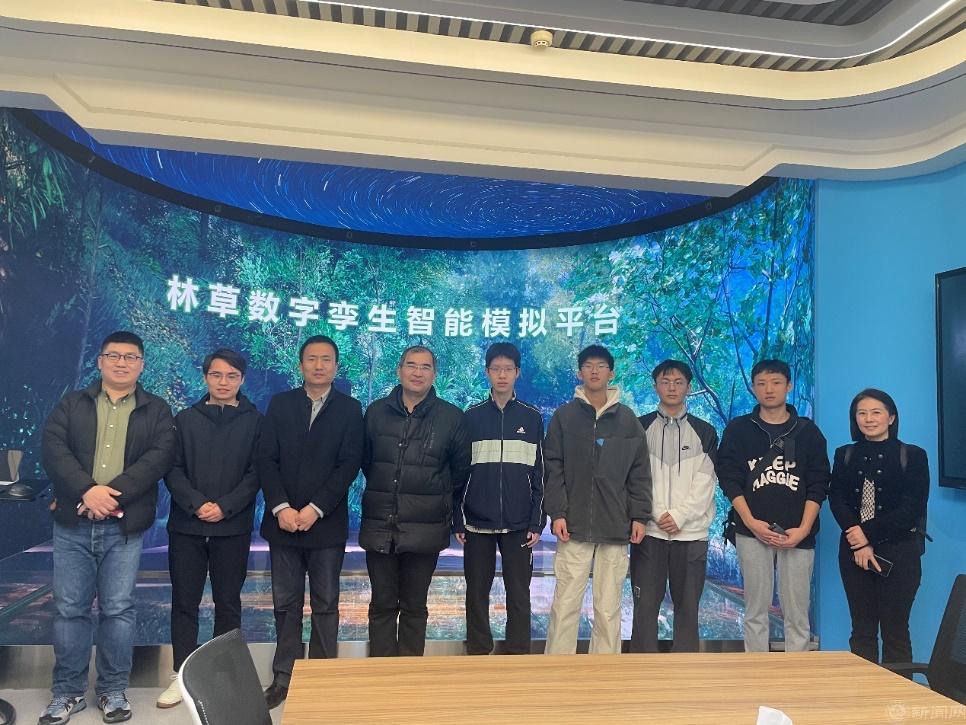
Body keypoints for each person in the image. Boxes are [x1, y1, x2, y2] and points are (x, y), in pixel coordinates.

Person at [40, 331, 176, 724]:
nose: (121, 363)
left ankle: (113, 690)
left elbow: (158, 459)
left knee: (118, 609)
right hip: (74, 521)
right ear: (100, 362)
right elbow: (54, 450)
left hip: (124, 526)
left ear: (141, 365)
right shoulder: (72, 404)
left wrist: (109, 496)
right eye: (114, 356)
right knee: (70, 609)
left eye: (130, 357)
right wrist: (87, 490)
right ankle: (67, 693)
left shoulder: (157, 410)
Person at [258, 335, 363, 708]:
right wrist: (281, 507)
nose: (319, 366)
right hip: (283, 524)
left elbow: (348, 465)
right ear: (301, 364)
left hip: (326, 525)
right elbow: (265, 459)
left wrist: (315, 508)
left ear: (336, 366)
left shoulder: (350, 409)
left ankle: (322, 677)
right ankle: (283, 677)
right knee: (285, 604)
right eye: (312, 359)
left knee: (326, 603)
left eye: (326, 359)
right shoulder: (281, 404)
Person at [157, 348, 262, 708]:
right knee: (184, 602)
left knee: (228, 603)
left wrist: (225, 507)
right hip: (187, 526)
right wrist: (197, 504)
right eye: (216, 375)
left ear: (241, 380)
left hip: (232, 528)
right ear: (205, 378)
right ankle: (181, 676)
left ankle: (223, 679)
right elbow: (172, 469)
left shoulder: (256, 422)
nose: (223, 382)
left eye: (231, 376)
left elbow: (257, 473)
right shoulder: (185, 419)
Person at [360, 345, 471, 657]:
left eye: (425, 367)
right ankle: (382, 675)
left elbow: (460, 471)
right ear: (399, 370)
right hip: (381, 525)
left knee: (414, 606)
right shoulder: (376, 412)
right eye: (411, 365)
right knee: (381, 605)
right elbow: (368, 462)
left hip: (425, 530)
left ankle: (409, 676)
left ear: (434, 374)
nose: (417, 372)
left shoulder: (451, 417)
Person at [543, 344, 651, 655]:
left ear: (611, 373)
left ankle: (605, 671)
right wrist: (557, 512)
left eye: (601, 366)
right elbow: (553, 467)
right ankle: (557, 669)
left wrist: (639, 516)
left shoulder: (627, 420)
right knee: (565, 603)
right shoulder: (564, 417)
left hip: (615, 526)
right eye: (588, 365)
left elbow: (639, 472)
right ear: (580, 373)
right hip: (573, 525)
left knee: (608, 607)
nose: (594, 370)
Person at [716, 359, 829, 653]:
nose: (769, 389)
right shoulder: (739, 430)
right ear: (753, 388)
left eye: (776, 383)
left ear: (788, 386)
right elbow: (729, 479)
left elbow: (819, 483)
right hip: (752, 531)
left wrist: (803, 529)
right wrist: (751, 522)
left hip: (798, 534)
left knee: (797, 614)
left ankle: (797, 674)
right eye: (762, 384)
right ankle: (757, 673)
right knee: (755, 611)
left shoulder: (808, 432)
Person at [827, 389, 929, 665]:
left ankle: (898, 693)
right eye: (862, 413)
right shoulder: (844, 454)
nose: (869, 419)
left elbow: (912, 508)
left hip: (899, 553)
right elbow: (837, 498)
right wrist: (858, 541)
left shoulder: (913, 455)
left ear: (891, 417)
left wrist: (866, 535)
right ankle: (863, 691)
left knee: (896, 633)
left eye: (876, 412)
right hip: (853, 552)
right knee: (862, 631)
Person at [456, 342, 545, 655]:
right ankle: (479, 651)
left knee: (519, 594)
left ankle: (518, 654)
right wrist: (458, 519)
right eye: (496, 369)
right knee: (476, 593)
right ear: (487, 372)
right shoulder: (471, 417)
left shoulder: (532, 418)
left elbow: (540, 473)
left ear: (517, 372)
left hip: (519, 524)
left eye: (508, 369)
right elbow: (459, 473)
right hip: (477, 522)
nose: (502, 375)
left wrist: (537, 521)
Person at [630, 359, 717, 653]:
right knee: (644, 609)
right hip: (650, 534)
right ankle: (643, 671)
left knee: (688, 610)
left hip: (691, 535)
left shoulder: (705, 432)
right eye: (665, 382)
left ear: (688, 388)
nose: (671, 388)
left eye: (678, 382)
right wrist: (655, 513)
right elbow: (633, 476)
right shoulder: (639, 427)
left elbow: (706, 482)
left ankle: (686, 673)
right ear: (655, 386)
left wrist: (679, 515)